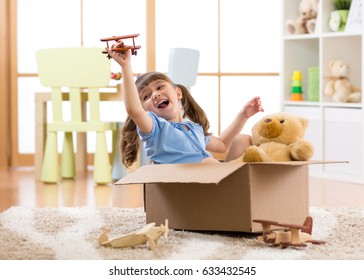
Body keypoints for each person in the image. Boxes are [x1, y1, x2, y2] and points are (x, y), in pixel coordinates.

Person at [107, 47, 264, 168]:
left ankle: (239, 185)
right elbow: (134, 110)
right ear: (145, 110)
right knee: (209, 164)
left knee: (243, 140)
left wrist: (244, 115)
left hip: (211, 179)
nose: (154, 95)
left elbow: (223, 145)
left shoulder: (193, 128)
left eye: (160, 87)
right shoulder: (155, 129)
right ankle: (235, 183)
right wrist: (126, 67)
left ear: (178, 93)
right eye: (146, 97)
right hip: (182, 189)